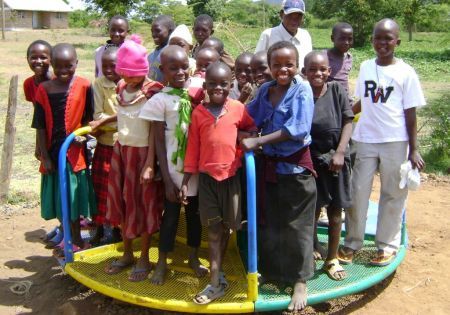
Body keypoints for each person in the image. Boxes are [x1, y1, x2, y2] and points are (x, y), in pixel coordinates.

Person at [338, 19, 426, 267]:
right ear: (372, 40)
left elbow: (410, 114)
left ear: (397, 41)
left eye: (388, 39)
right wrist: (342, 118)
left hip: (395, 141)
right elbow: (362, 102)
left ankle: (386, 246)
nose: (383, 43)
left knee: (393, 194)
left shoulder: (406, 73)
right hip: (364, 138)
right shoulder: (366, 67)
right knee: (356, 192)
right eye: (378, 38)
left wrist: (414, 149)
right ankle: (352, 242)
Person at [242, 41, 315, 312]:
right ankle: (274, 273)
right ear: (270, 67)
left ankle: (300, 280)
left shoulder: (302, 90)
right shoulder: (265, 90)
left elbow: (296, 128)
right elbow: (249, 118)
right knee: (271, 221)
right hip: (269, 168)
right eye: (277, 65)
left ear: (297, 65)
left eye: (289, 64)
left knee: (297, 225)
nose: (283, 69)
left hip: (295, 169)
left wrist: (258, 142)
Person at [180, 62, 256, 304]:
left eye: (223, 84)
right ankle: (214, 282)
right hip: (207, 181)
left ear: (231, 84)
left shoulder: (237, 108)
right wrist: (185, 180)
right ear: (204, 86)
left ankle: (218, 272)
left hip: (231, 179)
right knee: (213, 230)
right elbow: (192, 149)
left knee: (226, 227)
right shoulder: (198, 113)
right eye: (212, 84)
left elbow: (251, 129)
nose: (218, 88)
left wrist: (244, 136)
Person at [139, 45, 207, 285]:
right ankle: (162, 262)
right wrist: (166, 179)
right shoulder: (161, 101)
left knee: (194, 216)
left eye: (183, 67)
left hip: (196, 169)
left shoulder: (197, 94)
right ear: (162, 70)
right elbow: (158, 141)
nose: (180, 72)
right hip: (172, 170)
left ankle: (193, 257)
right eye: (173, 68)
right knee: (169, 218)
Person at [104, 35, 164, 282]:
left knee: (145, 204)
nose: (129, 79)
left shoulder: (152, 92)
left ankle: (144, 257)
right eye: (125, 74)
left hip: (143, 155)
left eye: (134, 74)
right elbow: (122, 117)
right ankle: (127, 252)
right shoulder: (120, 88)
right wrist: (102, 122)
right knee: (124, 203)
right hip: (122, 152)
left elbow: (154, 130)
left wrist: (150, 162)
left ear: (144, 70)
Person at [31, 43, 97, 254]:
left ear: (76, 63)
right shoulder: (44, 90)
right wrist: (45, 156)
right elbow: (40, 126)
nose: (63, 71)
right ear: (52, 64)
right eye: (58, 66)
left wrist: (83, 136)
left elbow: (89, 119)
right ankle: (67, 236)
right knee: (59, 199)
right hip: (53, 153)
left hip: (75, 155)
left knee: (74, 199)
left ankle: (76, 238)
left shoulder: (85, 86)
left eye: (68, 66)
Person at [302, 51, 353, 280]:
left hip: (336, 161)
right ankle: (313, 247)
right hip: (311, 161)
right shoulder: (301, 94)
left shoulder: (336, 91)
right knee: (312, 210)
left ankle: (331, 258)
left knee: (335, 211)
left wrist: (341, 152)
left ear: (329, 72)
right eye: (312, 69)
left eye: (322, 69)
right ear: (304, 72)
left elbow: (348, 121)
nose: (317, 73)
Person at [89, 47, 122, 245]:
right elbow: (97, 116)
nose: (109, 70)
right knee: (101, 191)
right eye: (105, 66)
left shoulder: (129, 85)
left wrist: (106, 124)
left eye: (114, 65)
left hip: (124, 147)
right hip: (105, 145)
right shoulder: (99, 85)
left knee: (119, 191)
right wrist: (119, 122)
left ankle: (117, 228)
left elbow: (133, 117)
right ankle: (100, 227)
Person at [255, 0, 312, 71]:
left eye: (298, 16)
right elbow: (256, 62)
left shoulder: (305, 35)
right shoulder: (268, 35)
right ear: (281, 14)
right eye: (290, 15)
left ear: (303, 17)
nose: (294, 20)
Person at [326, 22, 354, 101]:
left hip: (344, 101)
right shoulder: (324, 57)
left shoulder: (349, 57)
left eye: (350, 39)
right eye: (342, 38)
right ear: (332, 38)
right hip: (329, 100)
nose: (346, 42)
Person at [148, 15, 175, 83]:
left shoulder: (171, 53)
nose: (154, 34)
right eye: (152, 31)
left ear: (170, 31)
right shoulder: (150, 55)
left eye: (158, 31)